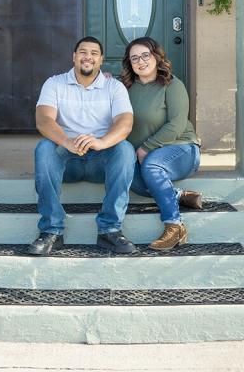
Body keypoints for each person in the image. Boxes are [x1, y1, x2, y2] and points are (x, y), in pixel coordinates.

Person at [28, 36, 138, 256]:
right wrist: (68, 142)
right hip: (67, 159)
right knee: (44, 148)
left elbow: (125, 123)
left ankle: (110, 230)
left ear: (101, 60)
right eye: (83, 52)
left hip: (101, 160)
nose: (88, 57)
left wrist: (101, 142)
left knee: (125, 149)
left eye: (94, 53)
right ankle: (51, 231)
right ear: (74, 57)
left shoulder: (114, 87)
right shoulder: (54, 83)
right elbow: (44, 120)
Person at [121, 37, 203, 250]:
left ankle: (174, 226)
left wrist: (146, 148)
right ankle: (177, 195)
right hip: (145, 156)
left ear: (156, 56)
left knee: (152, 166)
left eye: (145, 55)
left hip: (182, 149)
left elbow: (177, 124)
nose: (141, 61)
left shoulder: (172, 84)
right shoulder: (125, 89)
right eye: (134, 58)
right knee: (127, 175)